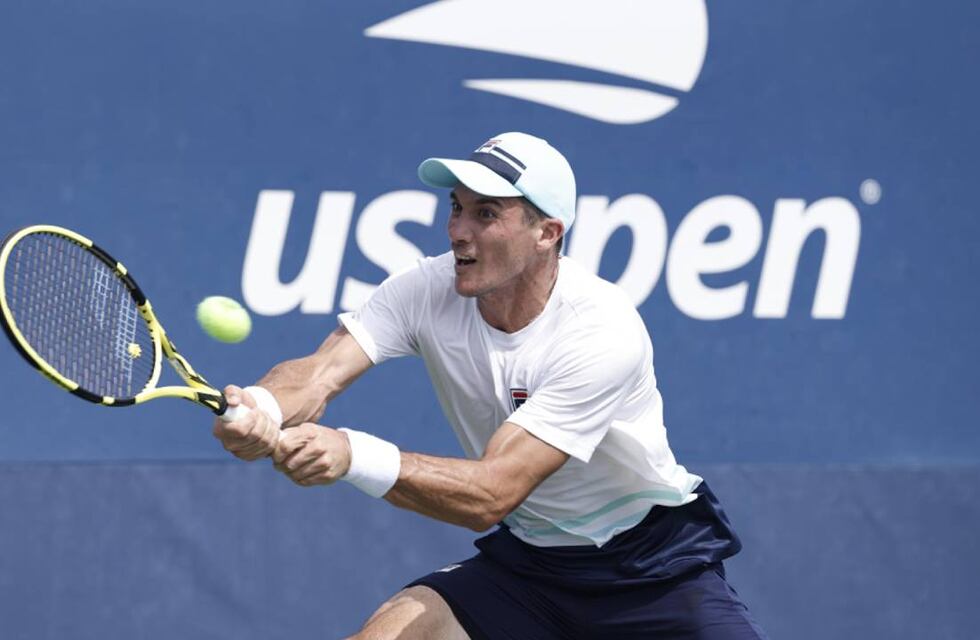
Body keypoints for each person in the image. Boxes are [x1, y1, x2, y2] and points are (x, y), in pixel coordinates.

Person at [213, 132, 768, 639]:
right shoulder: (423, 288)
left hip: (654, 571)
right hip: (530, 569)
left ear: (547, 233)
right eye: (456, 208)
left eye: (486, 213)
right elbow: (319, 372)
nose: (458, 230)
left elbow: (492, 493)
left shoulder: (601, 330)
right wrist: (261, 408)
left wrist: (351, 453)